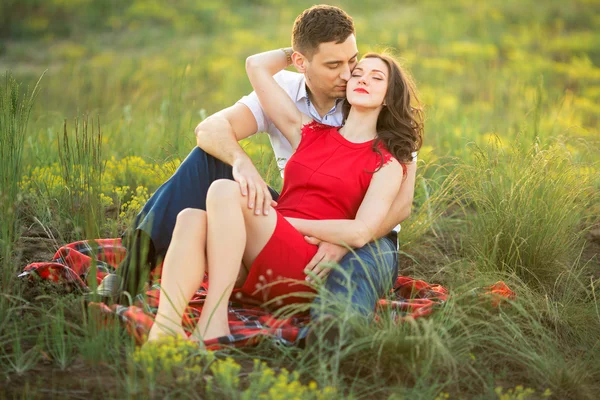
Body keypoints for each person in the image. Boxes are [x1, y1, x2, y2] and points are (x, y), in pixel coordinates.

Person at [100, 5, 418, 326]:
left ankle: (332, 339)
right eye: (334, 64)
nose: (350, 74)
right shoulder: (288, 97)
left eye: (353, 61)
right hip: (297, 210)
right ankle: (136, 269)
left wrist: (344, 241)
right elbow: (210, 129)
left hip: (372, 232)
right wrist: (241, 163)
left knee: (345, 295)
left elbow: (401, 206)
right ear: (301, 63)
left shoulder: (378, 111)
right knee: (208, 163)